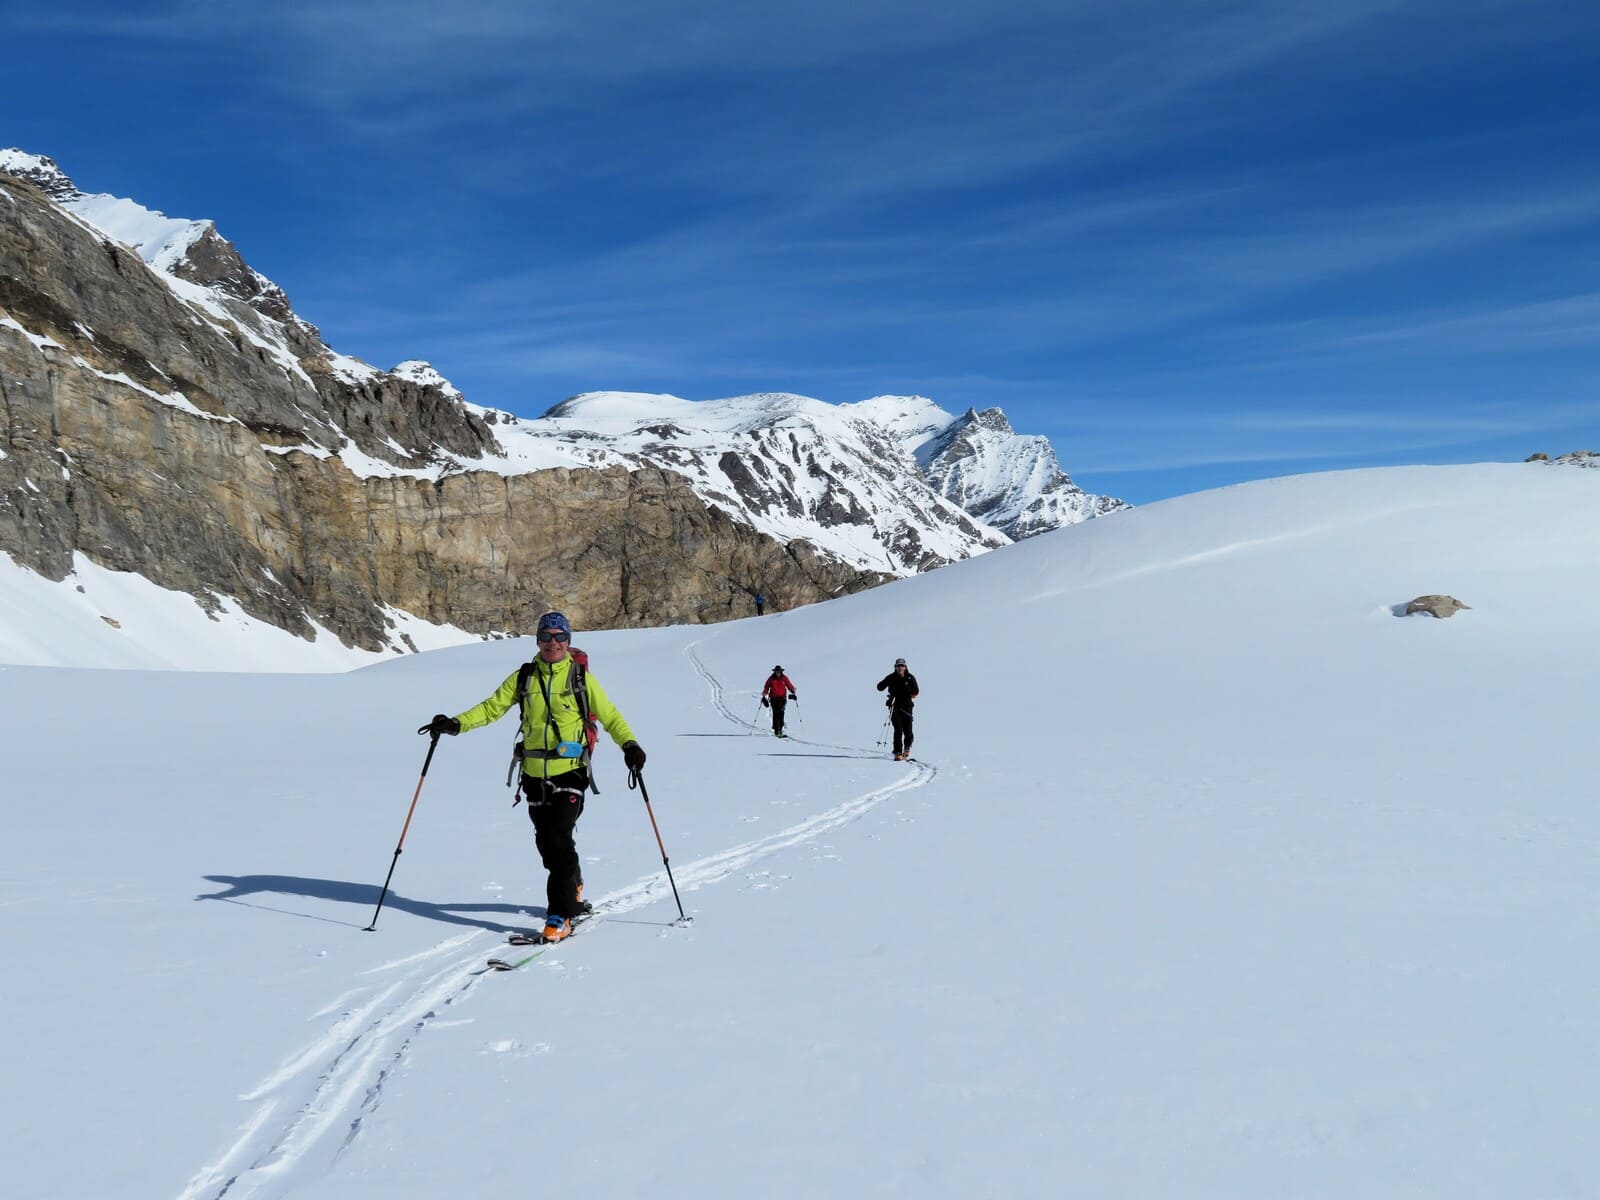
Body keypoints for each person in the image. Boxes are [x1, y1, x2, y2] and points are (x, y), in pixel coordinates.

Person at [419, 611, 646, 943]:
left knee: (559, 838)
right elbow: (491, 708)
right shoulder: (524, 677)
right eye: (546, 637)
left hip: (571, 771)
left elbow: (609, 715)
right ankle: (574, 884)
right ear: (538, 641)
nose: (553, 643)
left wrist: (630, 744)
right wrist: (455, 723)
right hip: (533, 774)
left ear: (568, 641)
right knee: (547, 842)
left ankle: (561, 914)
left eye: (559, 637)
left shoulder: (580, 677)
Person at [875, 657, 919, 760]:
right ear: (895, 667)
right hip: (895, 707)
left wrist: (907, 688)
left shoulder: (910, 678)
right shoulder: (891, 677)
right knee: (898, 730)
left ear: (905, 667)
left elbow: (916, 691)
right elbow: (879, 687)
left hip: (907, 707)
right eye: (898, 666)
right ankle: (898, 752)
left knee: (908, 730)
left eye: (902, 666)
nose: (900, 668)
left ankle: (907, 746)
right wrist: (883, 685)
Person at [760, 665, 798, 737]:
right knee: (776, 713)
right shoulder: (771, 679)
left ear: (781, 672)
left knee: (781, 714)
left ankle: (780, 729)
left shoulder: (784, 678)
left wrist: (792, 690)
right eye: (777, 672)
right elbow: (766, 687)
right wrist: (765, 693)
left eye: (779, 672)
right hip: (774, 699)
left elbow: (789, 685)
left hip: (782, 698)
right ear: (775, 672)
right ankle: (777, 731)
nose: (778, 673)